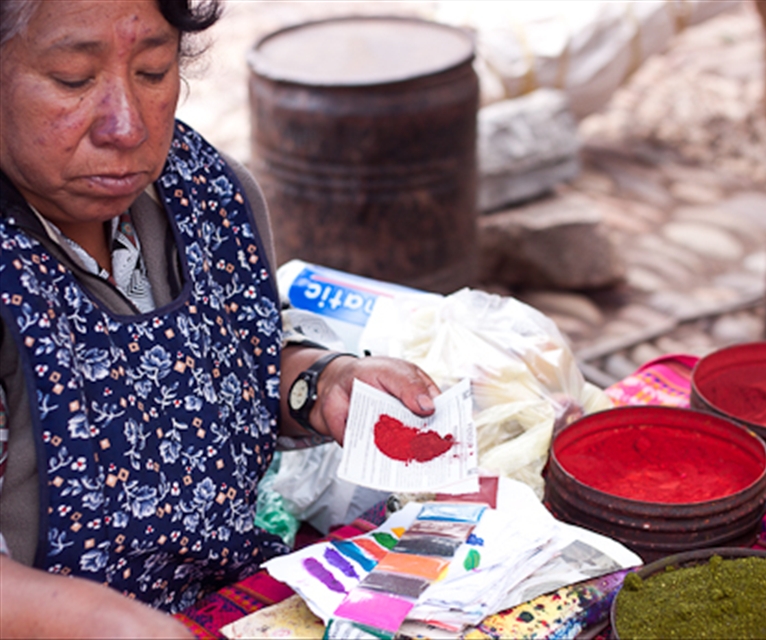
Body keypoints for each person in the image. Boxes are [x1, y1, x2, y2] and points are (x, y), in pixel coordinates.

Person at [0, 0, 441, 636]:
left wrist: (320, 383)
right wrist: (107, 624)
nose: (126, 126)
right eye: (73, 80)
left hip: (227, 601)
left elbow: (241, 351)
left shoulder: (206, 193)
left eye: (152, 72)